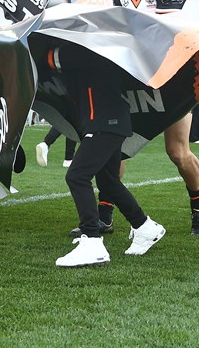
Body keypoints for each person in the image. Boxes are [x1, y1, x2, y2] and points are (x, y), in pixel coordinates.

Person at [108, 0, 199, 235]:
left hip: (174, 79)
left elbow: (171, 40)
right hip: (136, 78)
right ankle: (104, 215)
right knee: (114, 149)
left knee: (177, 152)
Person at [40, 43, 165, 267]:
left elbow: (47, 56)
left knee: (77, 176)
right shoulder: (98, 46)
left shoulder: (88, 48)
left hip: (105, 122)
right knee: (109, 181)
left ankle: (93, 241)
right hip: (109, 120)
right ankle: (144, 227)